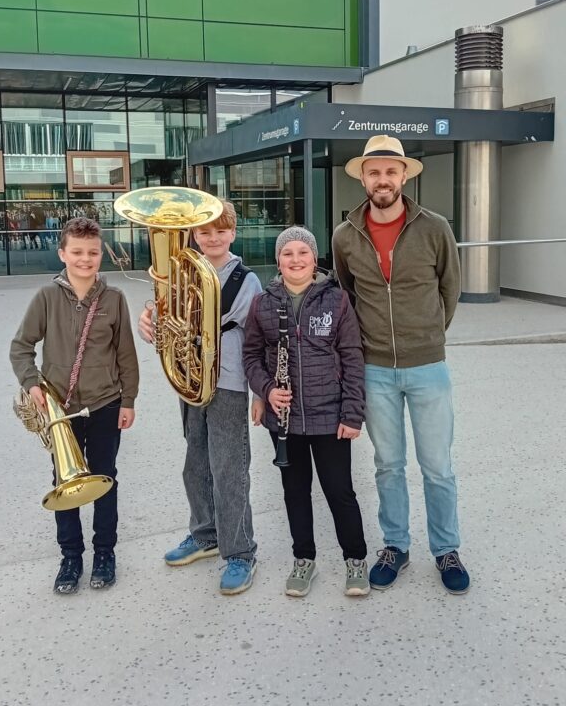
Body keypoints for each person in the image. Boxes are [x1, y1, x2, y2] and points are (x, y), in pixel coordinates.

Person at [332, 135, 470, 595]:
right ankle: (395, 545)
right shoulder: (345, 235)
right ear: (363, 178)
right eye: (374, 172)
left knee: (437, 466)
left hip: (428, 366)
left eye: (391, 171)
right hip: (374, 370)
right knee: (388, 465)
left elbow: (450, 289)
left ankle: (446, 549)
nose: (383, 179)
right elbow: (348, 295)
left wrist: (428, 335)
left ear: (404, 176)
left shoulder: (435, 228)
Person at [138, 200, 262, 596]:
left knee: (229, 468)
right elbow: (167, 315)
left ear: (233, 234)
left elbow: (257, 338)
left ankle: (240, 551)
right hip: (190, 378)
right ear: (194, 234)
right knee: (195, 463)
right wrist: (153, 323)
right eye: (205, 231)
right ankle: (205, 534)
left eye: (221, 231)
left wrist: (260, 391)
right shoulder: (183, 272)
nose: (213, 238)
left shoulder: (246, 279)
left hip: (228, 382)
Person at [10, 217, 139, 595]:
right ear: (62, 253)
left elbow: (126, 355)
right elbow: (21, 347)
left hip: (105, 403)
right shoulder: (46, 297)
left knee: (105, 479)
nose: (85, 259)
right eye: (78, 252)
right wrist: (32, 383)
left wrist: (128, 400)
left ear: (102, 255)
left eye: (93, 252)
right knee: (64, 483)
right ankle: (70, 556)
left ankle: (105, 553)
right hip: (61, 410)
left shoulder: (114, 299)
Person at [243, 227, 369, 599]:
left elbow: (352, 357)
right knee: (295, 492)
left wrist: (353, 414)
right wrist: (267, 389)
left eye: (303, 252)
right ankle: (304, 558)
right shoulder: (262, 304)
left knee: (339, 491)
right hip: (285, 419)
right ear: (278, 260)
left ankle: (355, 559)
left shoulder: (337, 300)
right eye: (287, 253)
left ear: (315, 259)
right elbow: (251, 356)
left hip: (330, 415)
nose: (295, 260)